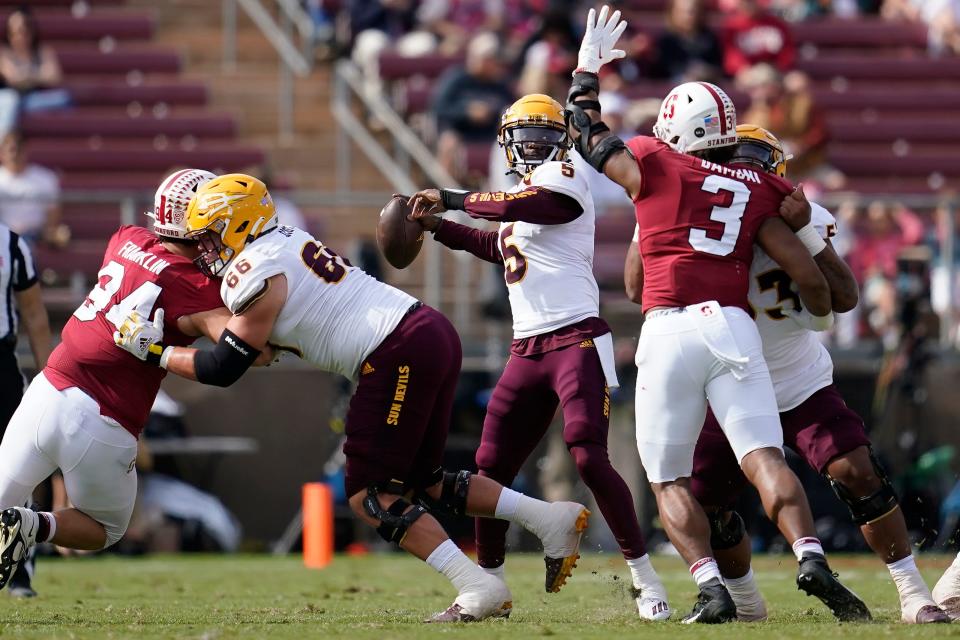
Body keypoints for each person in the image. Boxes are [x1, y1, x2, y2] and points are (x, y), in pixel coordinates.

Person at [113, 174, 593, 623]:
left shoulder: (252, 270)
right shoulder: (285, 242)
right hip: (426, 332)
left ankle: (478, 587)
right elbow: (257, 348)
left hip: (393, 351)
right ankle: (550, 518)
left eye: (211, 234)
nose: (204, 248)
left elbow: (223, 367)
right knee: (425, 482)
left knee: (371, 495)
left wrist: (153, 350)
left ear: (239, 225)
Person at [563, 6, 867, 623]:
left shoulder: (656, 161)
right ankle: (809, 553)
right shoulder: (759, 187)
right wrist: (818, 317)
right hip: (733, 327)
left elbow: (587, 135)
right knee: (765, 458)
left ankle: (710, 585)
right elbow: (811, 276)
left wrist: (585, 70)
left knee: (667, 478)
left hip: (670, 326)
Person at [626, 125, 949, 624]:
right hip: (725, 374)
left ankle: (913, 594)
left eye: (760, 161)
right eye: (742, 158)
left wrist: (802, 232)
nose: (751, 170)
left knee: (858, 472)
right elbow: (636, 286)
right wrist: (645, 221)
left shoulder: (803, 217)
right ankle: (749, 603)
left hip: (795, 377)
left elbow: (842, 298)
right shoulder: (686, 212)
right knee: (710, 506)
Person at [407, 94, 670, 620]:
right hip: (526, 348)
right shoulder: (517, 195)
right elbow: (502, 245)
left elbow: (527, 209)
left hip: (575, 339)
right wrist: (439, 228)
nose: (532, 146)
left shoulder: (566, 176)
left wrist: (452, 198)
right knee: (489, 468)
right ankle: (493, 587)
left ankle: (647, 580)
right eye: (524, 137)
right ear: (507, 143)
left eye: (543, 136)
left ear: (561, 141)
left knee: (588, 454)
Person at [0, 169, 243, 593]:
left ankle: (20, 521)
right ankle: (34, 525)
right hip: (103, 417)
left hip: (47, 389)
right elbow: (240, 343)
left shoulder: (125, 238)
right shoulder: (197, 288)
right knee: (106, 528)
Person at [0, 217, 50, 596]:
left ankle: (19, 568)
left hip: (1, 365)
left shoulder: (11, 245)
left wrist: (51, 378)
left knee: (15, 467)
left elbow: (34, 314)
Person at [431, 32, 514, 183]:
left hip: (490, 134)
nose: (494, 63)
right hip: (460, 133)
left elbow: (510, 110)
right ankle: (444, 196)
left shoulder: (500, 85)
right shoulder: (457, 78)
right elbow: (439, 108)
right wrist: (467, 112)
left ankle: (503, 198)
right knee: (449, 142)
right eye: (490, 59)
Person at [0, 6, 70, 136]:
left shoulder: (43, 52)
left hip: (35, 99)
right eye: (16, 31)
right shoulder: (4, 54)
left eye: (24, 30)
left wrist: (26, 76)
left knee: (63, 98)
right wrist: (36, 75)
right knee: (10, 101)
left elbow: (54, 77)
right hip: (14, 99)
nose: (20, 36)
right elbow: (13, 78)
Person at [0, 130, 67, 247]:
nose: (14, 155)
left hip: (35, 237)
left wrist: (49, 233)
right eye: (10, 150)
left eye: (18, 149)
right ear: (2, 153)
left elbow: (53, 214)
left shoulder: (45, 178)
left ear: (25, 150)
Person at [721, 0, 796, 76]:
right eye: (745, 2)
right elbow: (731, 55)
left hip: (776, 70)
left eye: (751, 2)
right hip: (746, 72)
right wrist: (743, 68)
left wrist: (780, 66)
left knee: (797, 82)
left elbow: (787, 50)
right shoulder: (733, 26)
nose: (749, 5)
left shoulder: (776, 24)